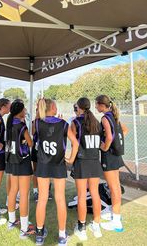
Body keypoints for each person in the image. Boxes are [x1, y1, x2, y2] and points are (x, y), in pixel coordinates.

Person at [35, 98, 79, 246]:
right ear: (52, 107)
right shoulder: (64, 124)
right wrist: (71, 159)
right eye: (55, 105)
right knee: (60, 199)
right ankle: (61, 235)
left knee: (42, 199)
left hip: (42, 165)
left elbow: (43, 130)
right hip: (58, 164)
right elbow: (75, 143)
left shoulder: (37, 122)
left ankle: (39, 234)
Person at [71, 97, 103, 241]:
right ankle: (96, 225)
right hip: (95, 161)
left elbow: (74, 145)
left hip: (82, 162)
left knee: (82, 195)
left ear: (79, 107)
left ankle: (82, 228)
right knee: (95, 194)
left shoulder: (75, 122)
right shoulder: (96, 122)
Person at [95, 95, 128, 232]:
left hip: (109, 156)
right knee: (114, 186)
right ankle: (115, 214)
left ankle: (116, 221)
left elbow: (109, 136)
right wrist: (115, 144)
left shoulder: (104, 118)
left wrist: (105, 147)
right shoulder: (114, 116)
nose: (96, 107)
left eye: (97, 104)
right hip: (116, 155)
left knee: (114, 187)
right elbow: (124, 130)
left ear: (102, 105)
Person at [6, 100, 35, 239]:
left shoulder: (10, 122)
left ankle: (11, 221)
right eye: (24, 109)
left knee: (13, 191)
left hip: (12, 160)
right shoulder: (21, 125)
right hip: (22, 161)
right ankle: (24, 228)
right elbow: (30, 143)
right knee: (24, 194)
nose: (25, 112)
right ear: (20, 111)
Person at [31, 105, 53, 202]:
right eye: (38, 111)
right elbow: (33, 132)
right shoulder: (35, 122)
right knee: (36, 171)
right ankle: (36, 191)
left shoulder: (48, 122)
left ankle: (47, 190)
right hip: (36, 149)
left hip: (47, 149)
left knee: (48, 170)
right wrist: (37, 116)